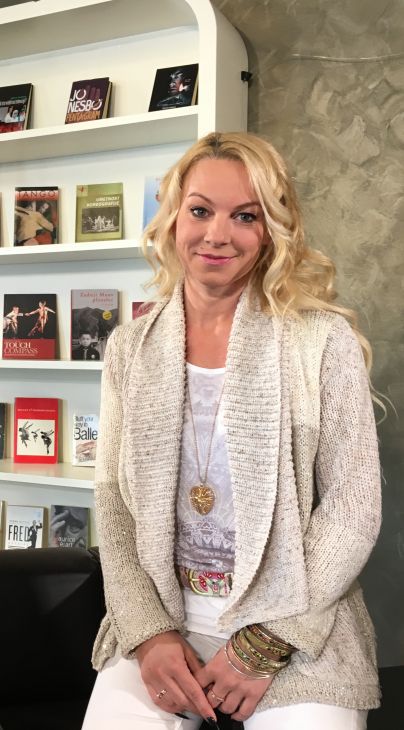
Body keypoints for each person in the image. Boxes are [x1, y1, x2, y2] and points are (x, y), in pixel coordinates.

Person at [82, 132, 381, 730]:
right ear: (172, 218)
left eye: (245, 216)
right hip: (165, 617)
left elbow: (353, 508)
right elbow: (113, 505)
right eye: (200, 210)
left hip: (295, 624)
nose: (217, 235)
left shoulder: (322, 340)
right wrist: (148, 633)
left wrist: (264, 644)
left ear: (271, 230)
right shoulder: (129, 348)